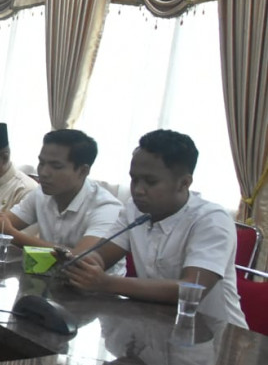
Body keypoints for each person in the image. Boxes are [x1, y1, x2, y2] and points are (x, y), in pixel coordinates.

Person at [65, 130, 247, 327]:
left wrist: (106, 283)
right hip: (157, 325)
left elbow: (192, 288)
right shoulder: (134, 209)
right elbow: (101, 256)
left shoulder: (211, 220)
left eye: (150, 182)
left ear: (184, 183)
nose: (138, 190)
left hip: (216, 336)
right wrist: (81, 264)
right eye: (134, 179)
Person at [0, 128, 124, 266]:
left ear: (83, 171)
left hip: (95, 291)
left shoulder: (106, 207)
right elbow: (5, 222)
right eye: (41, 163)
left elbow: (81, 257)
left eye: (56, 166)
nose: (43, 172)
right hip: (45, 275)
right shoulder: (41, 194)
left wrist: (11, 234)